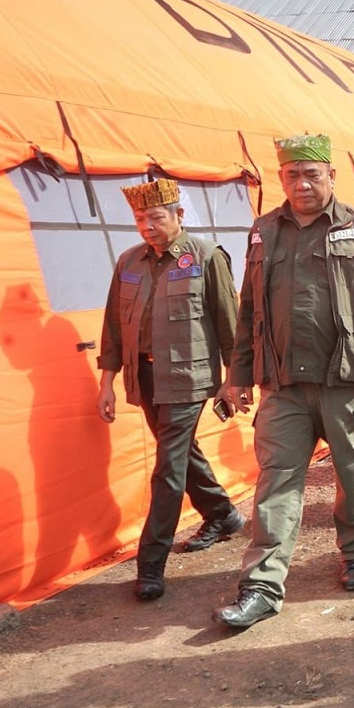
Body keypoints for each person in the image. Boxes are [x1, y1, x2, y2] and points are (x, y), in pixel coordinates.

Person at [212, 133, 354, 628]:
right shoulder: (263, 231)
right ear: (282, 179)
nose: (302, 183)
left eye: (312, 174)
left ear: (331, 177)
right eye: (292, 174)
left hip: (346, 381)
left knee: (353, 473)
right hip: (284, 387)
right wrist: (240, 375)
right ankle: (261, 585)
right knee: (276, 481)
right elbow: (247, 308)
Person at [96, 179, 245, 600]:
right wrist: (105, 382)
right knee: (179, 453)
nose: (147, 226)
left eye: (156, 218)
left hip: (188, 377)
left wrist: (234, 379)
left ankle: (151, 564)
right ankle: (222, 514)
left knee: (167, 468)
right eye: (140, 219)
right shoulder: (128, 261)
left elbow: (229, 324)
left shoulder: (206, 257)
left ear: (179, 216)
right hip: (142, 377)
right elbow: (111, 327)